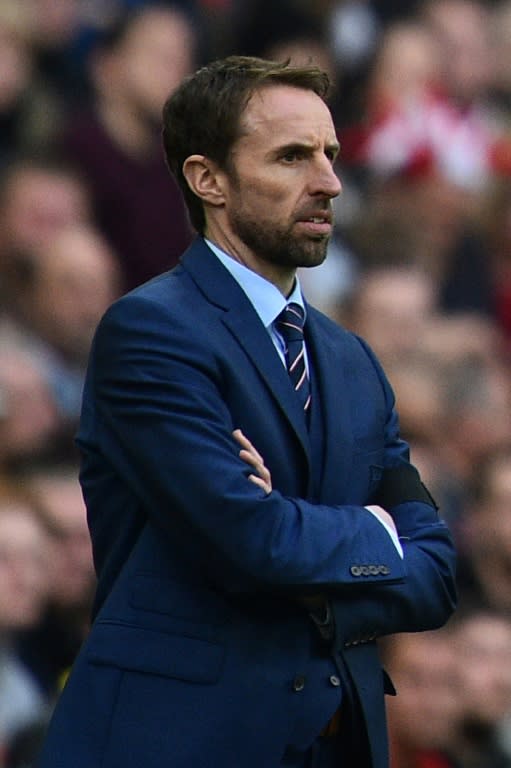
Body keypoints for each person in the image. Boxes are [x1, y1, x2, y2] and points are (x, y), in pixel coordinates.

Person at [37, 56, 457, 768]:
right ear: (208, 180)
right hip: (176, 742)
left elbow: (438, 573)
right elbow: (246, 539)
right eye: (291, 157)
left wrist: (307, 565)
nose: (327, 181)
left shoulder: (352, 360)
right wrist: (376, 534)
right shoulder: (151, 331)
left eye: (328, 154)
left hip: (336, 742)